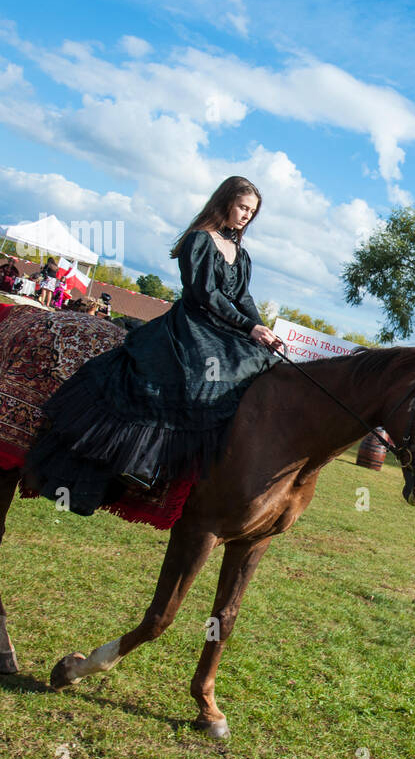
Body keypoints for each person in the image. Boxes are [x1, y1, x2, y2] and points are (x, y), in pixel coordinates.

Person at [25, 176, 283, 516]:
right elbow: (205, 294)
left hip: (224, 326)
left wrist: (262, 328)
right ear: (225, 203)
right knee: (194, 376)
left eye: (252, 211)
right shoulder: (199, 240)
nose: (247, 215)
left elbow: (242, 296)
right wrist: (249, 327)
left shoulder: (241, 253)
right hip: (191, 323)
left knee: (259, 359)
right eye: (243, 207)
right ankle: (145, 462)